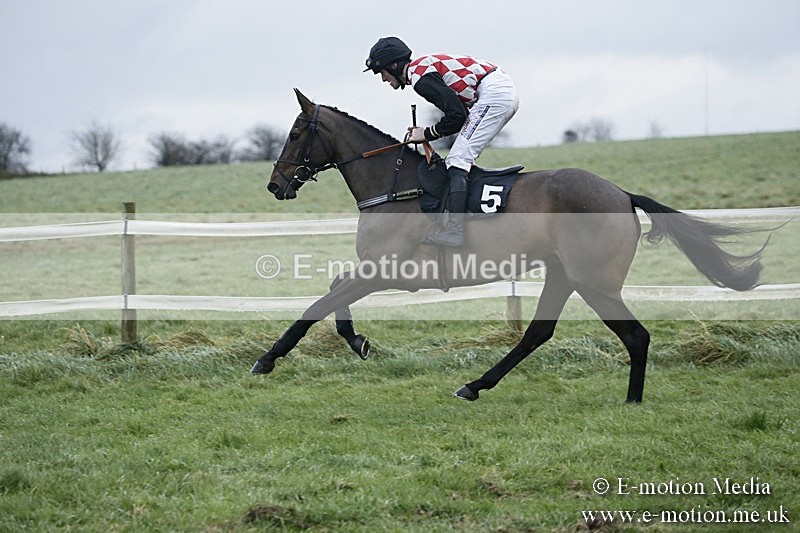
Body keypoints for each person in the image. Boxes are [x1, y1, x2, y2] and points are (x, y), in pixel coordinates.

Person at [365, 36, 519, 246]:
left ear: (393, 65)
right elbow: (459, 113)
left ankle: (456, 231)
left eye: (381, 72)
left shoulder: (421, 79)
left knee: (457, 160)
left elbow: (457, 116)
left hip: (494, 94)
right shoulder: (421, 70)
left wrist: (426, 134)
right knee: (462, 157)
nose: (383, 79)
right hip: (495, 90)